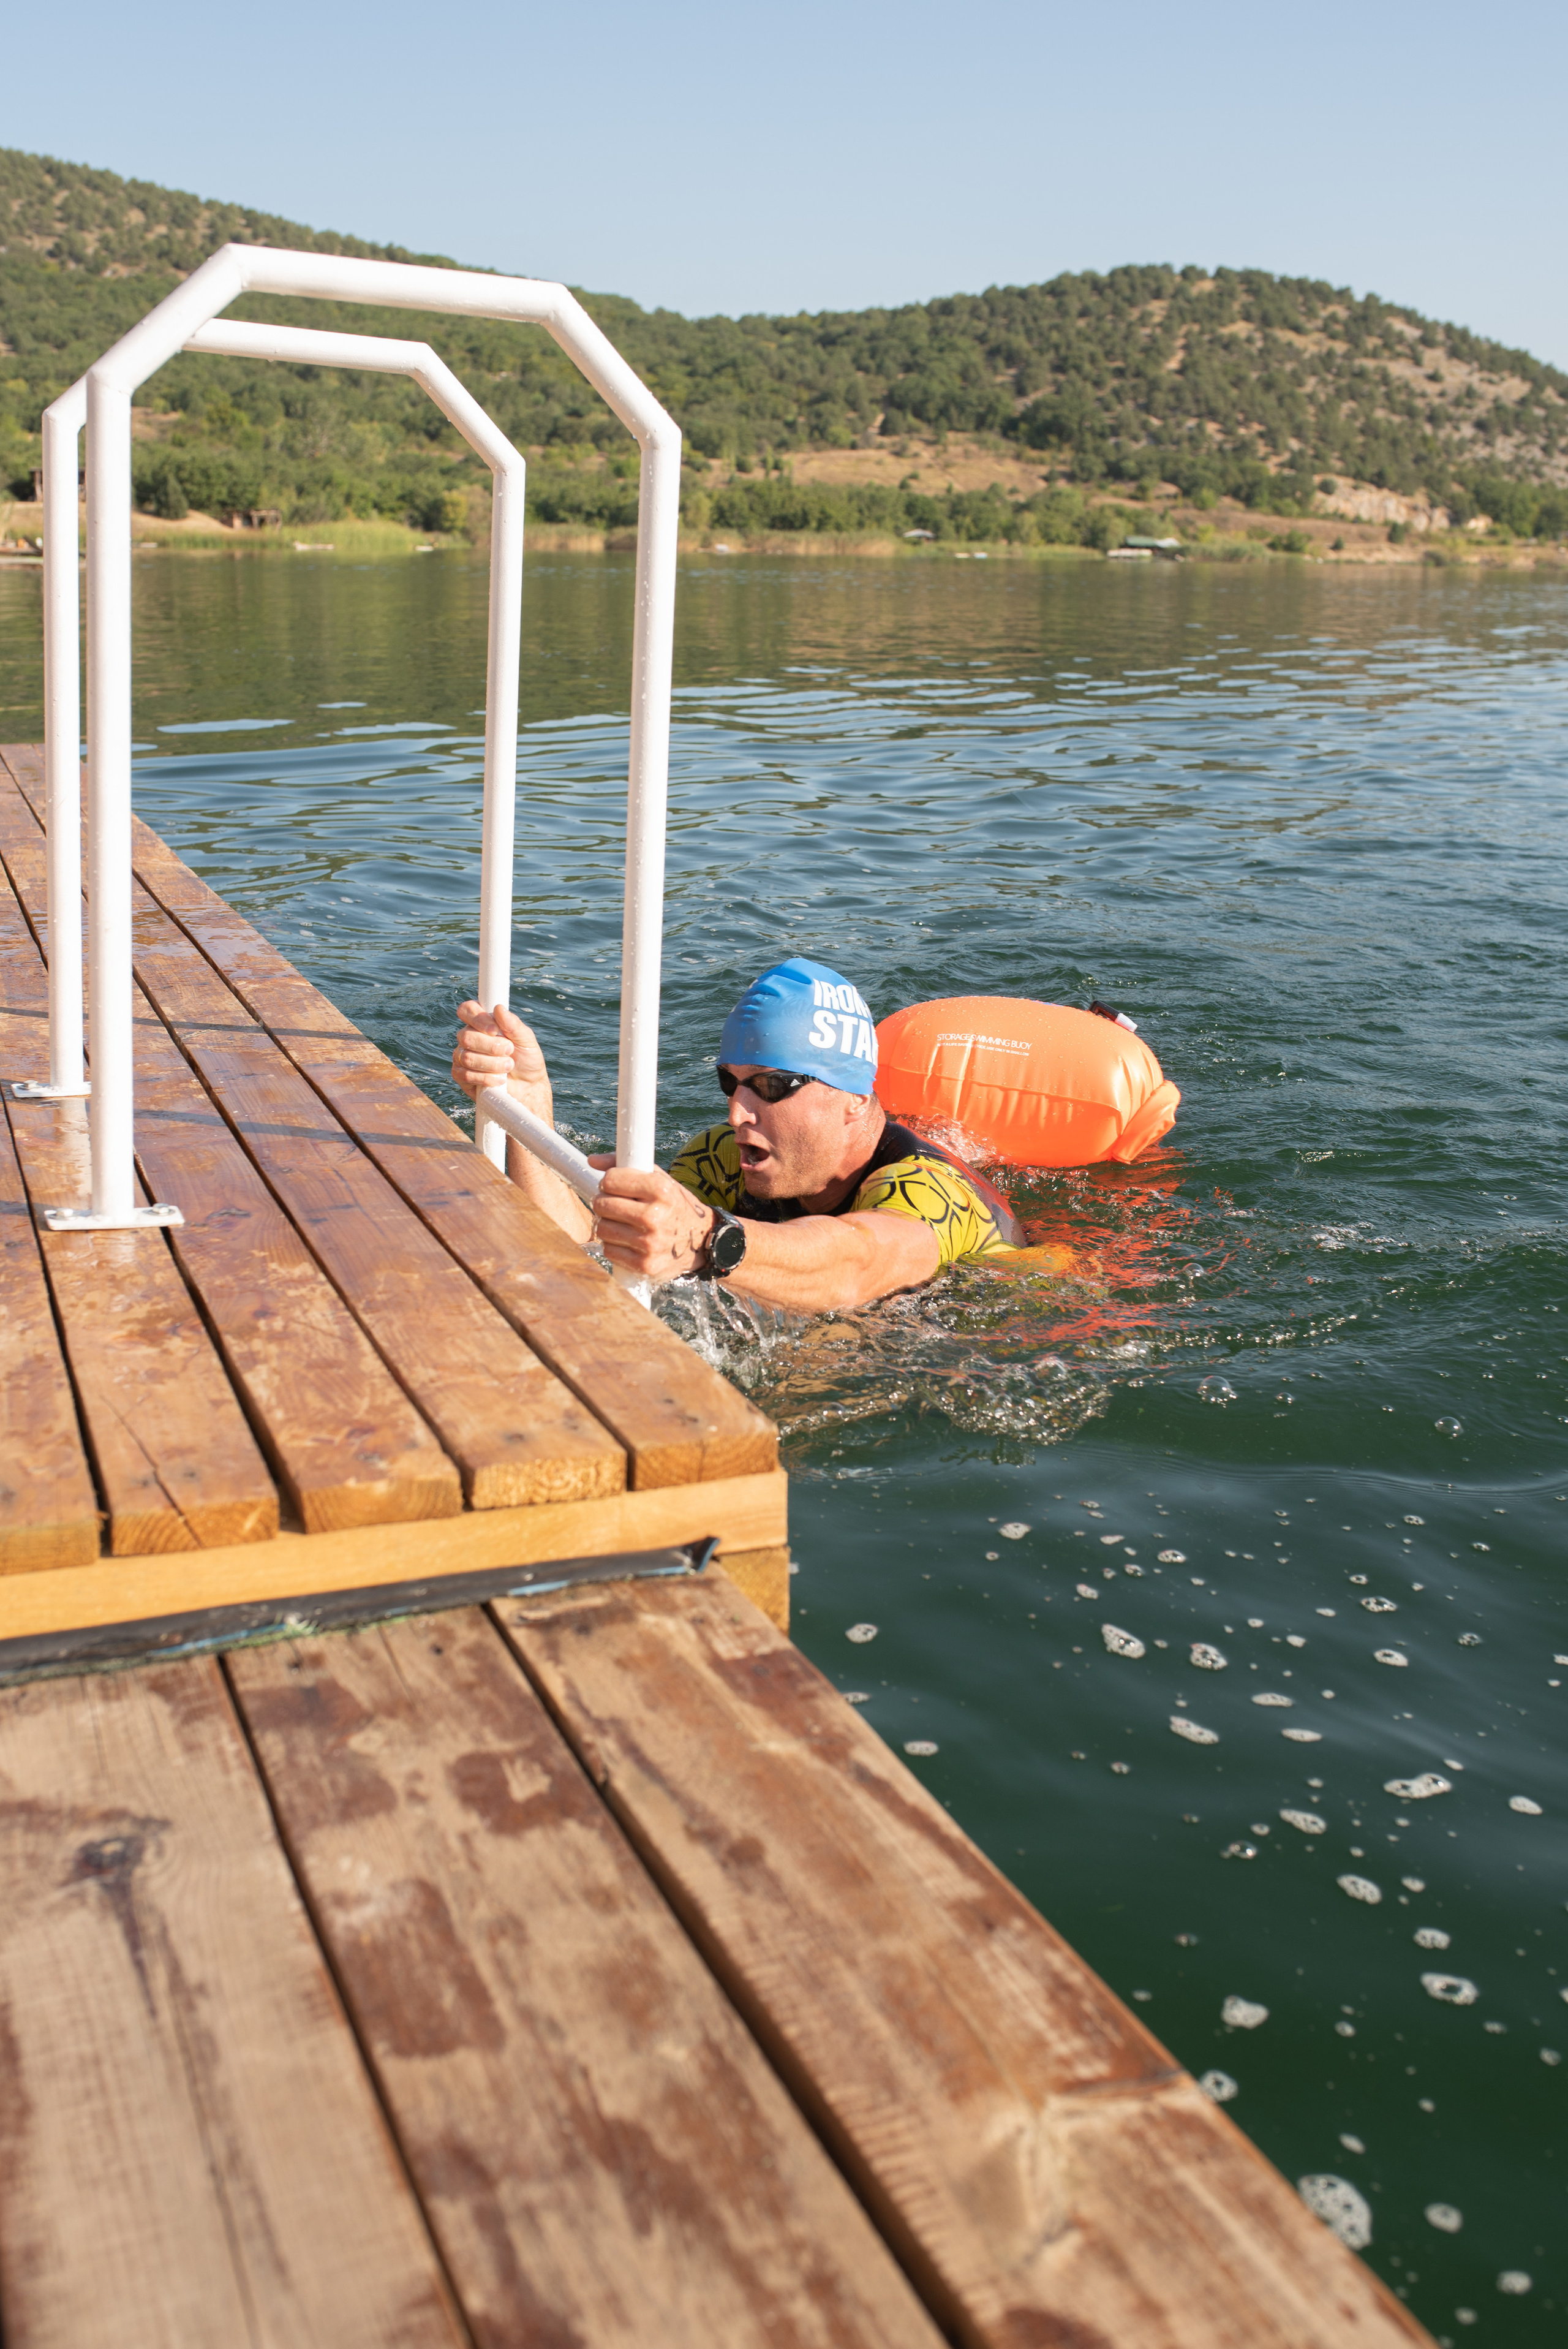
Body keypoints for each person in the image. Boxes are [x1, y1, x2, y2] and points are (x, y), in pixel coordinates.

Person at [451, 956, 1022, 1314]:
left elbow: (859, 1264)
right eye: (731, 1082)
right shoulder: (722, 1159)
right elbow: (592, 1245)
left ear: (853, 1097)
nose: (737, 1113)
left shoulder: (929, 1191)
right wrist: (530, 1111)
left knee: (835, 1350)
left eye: (773, 1086)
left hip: (999, 1344)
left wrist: (705, 1237)